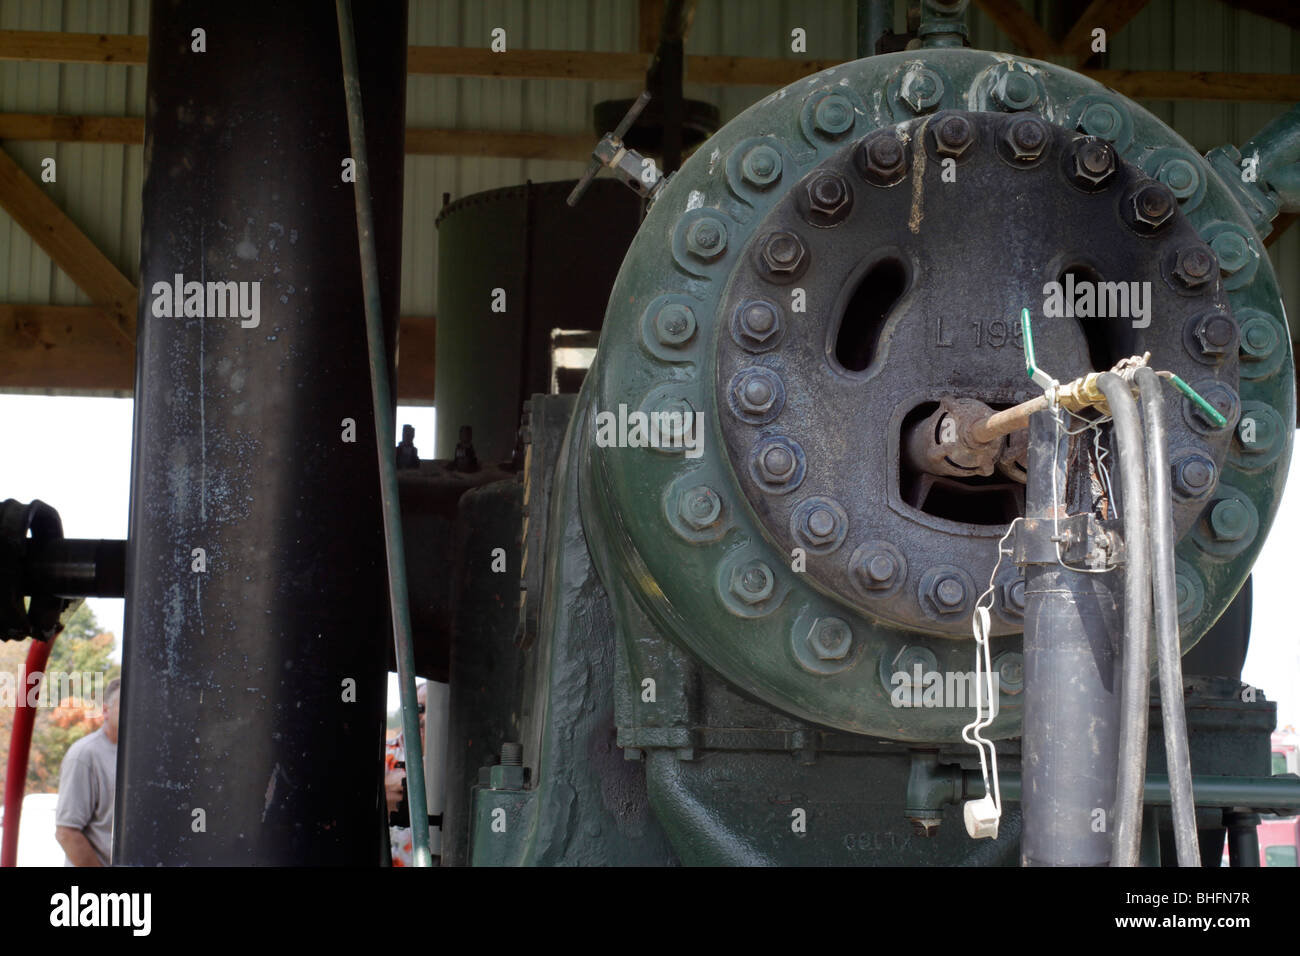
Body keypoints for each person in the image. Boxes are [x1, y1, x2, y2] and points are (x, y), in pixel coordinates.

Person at [54, 677, 119, 866]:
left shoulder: (141, 757)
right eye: (125, 705)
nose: (135, 712)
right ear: (105, 710)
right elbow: (66, 832)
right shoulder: (84, 755)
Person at [385, 680, 427, 866]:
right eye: (419, 708)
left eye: (429, 709)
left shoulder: (456, 758)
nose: (423, 716)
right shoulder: (385, 753)